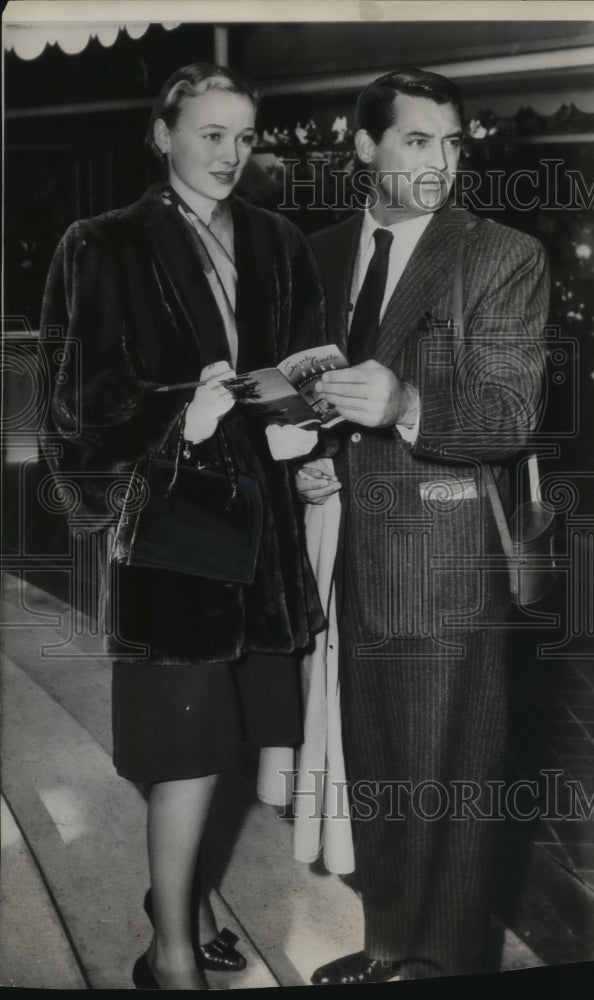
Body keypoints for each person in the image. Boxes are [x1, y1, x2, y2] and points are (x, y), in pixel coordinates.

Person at [40, 63, 325, 990]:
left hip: (266, 534)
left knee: (235, 732)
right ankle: (170, 954)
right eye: (210, 134)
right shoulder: (103, 244)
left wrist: (302, 426)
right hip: (176, 531)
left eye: (245, 137)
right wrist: (180, 422)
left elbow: (299, 372)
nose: (231, 155)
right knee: (186, 742)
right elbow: (78, 408)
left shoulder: (281, 241)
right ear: (162, 135)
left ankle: (186, 902)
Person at [296, 68, 550, 982]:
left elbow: (508, 412)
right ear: (363, 147)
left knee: (448, 773)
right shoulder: (319, 253)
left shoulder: (499, 254)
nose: (441, 162)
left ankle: (438, 964)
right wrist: (306, 455)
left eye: (452, 142)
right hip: (343, 555)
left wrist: (405, 401)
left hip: (442, 557)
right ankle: (386, 947)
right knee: (376, 764)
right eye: (417, 141)